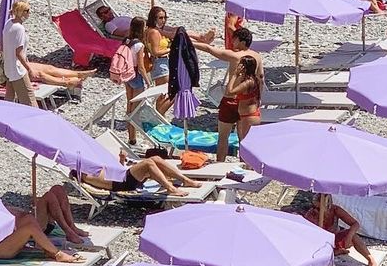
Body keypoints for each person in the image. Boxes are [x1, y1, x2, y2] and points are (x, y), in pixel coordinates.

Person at [195, 26, 254, 161]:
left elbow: (210, 49)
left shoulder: (234, 56)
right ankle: (244, 165)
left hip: (230, 100)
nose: (232, 42)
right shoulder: (256, 57)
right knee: (243, 137)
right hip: (245, 100)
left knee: (223, 137)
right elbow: (260, 80)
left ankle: (219, 165)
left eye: (235, 40)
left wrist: (190, 42)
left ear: (242, 42)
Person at [76, 148, 197, 197]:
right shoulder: (85, 173)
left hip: (122, 176)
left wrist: (122, 160)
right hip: (121, 183)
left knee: (156, 158)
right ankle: (171, 189)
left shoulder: (93, 167)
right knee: (148, 163)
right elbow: (107, 181)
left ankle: (185, 180)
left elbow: (114, 171)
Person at [305, 194, 378, 266]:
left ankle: (370, 259)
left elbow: (355, 224)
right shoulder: (311, 215)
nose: (316, 210)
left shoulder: (335, 210)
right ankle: (335, 252)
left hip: (333, 238)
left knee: (354, 236)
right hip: (320, 244)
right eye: (315, 207)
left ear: (328, 207)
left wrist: (349, 237)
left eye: (319, 208)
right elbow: (309, 238)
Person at [0, 0, 37, 107]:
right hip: (18, 69)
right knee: (29, 99)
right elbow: (19, 53)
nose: (29, 13)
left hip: (8, 66)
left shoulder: (8, 23)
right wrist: (29, 69)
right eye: (27, 10)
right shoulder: (19, 28)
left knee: (9, 98)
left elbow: (3, 44)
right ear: (21, 12)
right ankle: (36, 121)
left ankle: (4, 118)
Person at [120, 15, 149, 147]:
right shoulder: (139, 44)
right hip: (136, 75)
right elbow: (142, 67)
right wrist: (148, 81)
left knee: (129, 106)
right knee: (135, 109)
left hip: (127, 74)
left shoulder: (126, 40)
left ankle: (131, 138)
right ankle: (133, 139)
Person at [227, 53, 262, 144]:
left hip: (249, 116)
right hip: (246, 115)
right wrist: (238, 76)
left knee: (247, 144)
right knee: (243, 143)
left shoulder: (248, 82)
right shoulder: (253, 79)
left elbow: (230, 91)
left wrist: (234, 75)